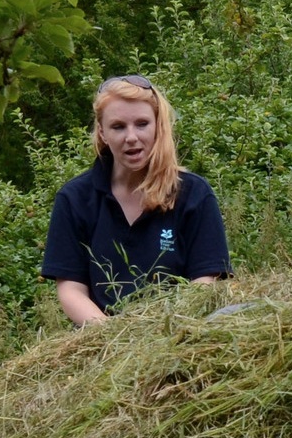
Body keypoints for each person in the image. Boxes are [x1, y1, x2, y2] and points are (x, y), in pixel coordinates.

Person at [41, 75, 232, 326]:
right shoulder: (74, 199)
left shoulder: (194, 194)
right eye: (118, 127)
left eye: (142, 124)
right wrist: (116, 338)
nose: (131, 137)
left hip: (181, 334)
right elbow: (71, 289)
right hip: (102, 342)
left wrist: (165, 332)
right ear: (102, 132)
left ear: (157, 126)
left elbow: (206, 281)